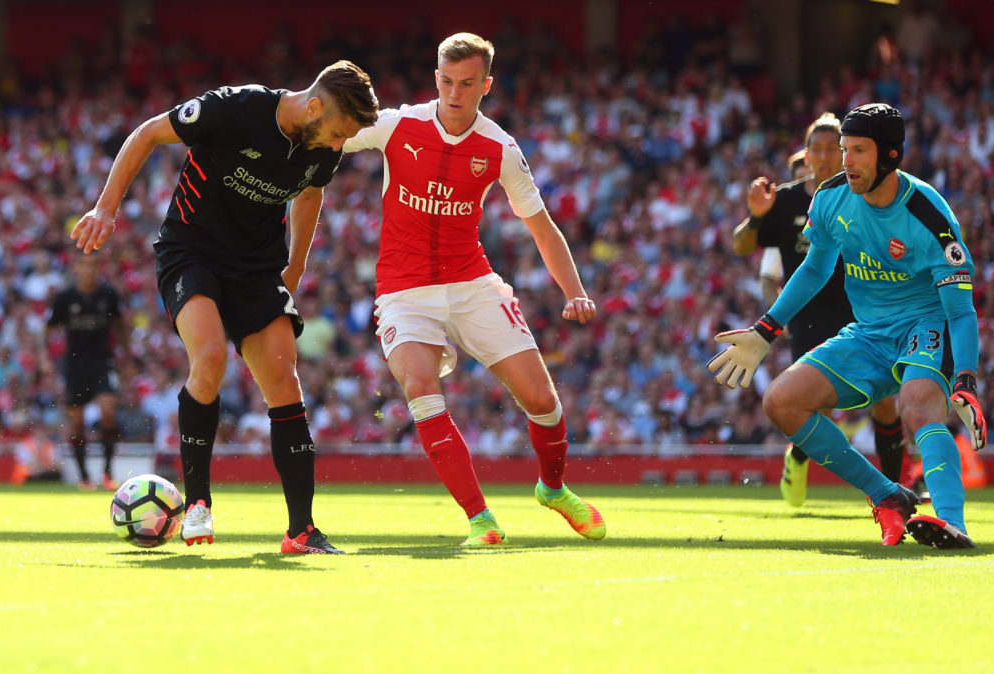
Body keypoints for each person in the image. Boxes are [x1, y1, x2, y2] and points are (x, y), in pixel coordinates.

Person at [71, 60, 380, 554]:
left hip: (256, 268)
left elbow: (310, 195)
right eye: (340, 133)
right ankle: (197, 506)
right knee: (210, 356)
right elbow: (149, 133)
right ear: (315, 106)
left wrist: (295, 266)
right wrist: (105, 206)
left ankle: (301, 531)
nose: (340, 145)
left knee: (284, 380)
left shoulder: (323, 148)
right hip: (190, 251)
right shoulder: (234, 107)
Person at [343, 32, 605, 547]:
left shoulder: (501, 148)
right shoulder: (396, 125)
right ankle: (479, 518)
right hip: (404, 291)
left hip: (473, 284)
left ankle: (552, 488)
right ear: (434, 77)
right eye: (445, 81)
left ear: (486, 85)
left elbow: (541, 225)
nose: (454, 94)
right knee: (420, 386)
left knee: (541, 398)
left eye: (466, 84)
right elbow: (326, 133)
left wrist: (575, 289)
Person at [710, 103, 986, 549]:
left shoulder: (929, 216)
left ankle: (952, 524)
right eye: (844, 149)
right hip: (869, 332)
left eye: (858, 150)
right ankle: (886, 494)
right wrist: (765, 330)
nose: (845, 161)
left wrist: (967, 378)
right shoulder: (832, 197)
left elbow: (960, 310)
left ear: (890, 156)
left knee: (915, 409)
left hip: (925, 323)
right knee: (781, 401)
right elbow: (814, 270)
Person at [731, 113, 909, 507]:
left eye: (835, 148)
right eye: (819, 148)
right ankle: (798, 456)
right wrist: (756, 217)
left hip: (861, 311)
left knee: (884, 399)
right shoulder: (788, 198)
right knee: (817, 405)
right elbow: (742, 245)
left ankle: (895, 491)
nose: (827, 156)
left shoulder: (864, 194)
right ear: (806, 154)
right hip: (808, 315)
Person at [47, 254, 126, 490]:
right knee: (77, 423)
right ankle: (84, 477)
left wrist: (127, 355)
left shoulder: (108, 295)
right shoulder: (64, 298)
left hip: (102, 362)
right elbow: (49, 328)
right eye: (84, 265)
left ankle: (108, 472)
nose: (88, 269)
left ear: (98, 267)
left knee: (109, 410)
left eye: (93, 264)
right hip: (75, 367)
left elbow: (120, 325)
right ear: (76, 268)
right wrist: (46, 358)